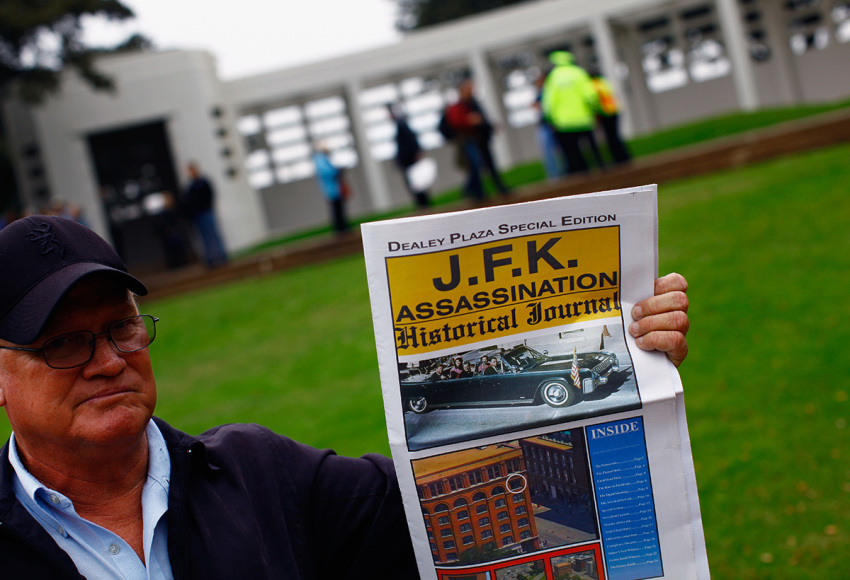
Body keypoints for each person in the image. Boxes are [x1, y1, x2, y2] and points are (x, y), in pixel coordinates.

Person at [0, 215, 690, 577]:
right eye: (63, 343)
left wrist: (626, 359)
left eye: (120, 327)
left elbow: (477, 493)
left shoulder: (260, 475)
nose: (108, 361)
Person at [442, 79, 510, 200]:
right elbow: (457, 122)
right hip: (470, 140)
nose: (472, 89)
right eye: (469, 87)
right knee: (475, 167)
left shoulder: (473, 102)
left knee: (488, 165)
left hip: (481, 139)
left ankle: (497, 189)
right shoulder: (458, 106)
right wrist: (470, 120)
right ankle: (477, 192)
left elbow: (482, 118)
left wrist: (490, 127)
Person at [541, 51, 606, 175]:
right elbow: (590, 94)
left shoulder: (553, 77)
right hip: (584, 118)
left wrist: (548, 118)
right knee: (592, 146)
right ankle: (601, 167)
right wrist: (596, 109)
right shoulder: (579, 73)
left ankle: (580, 173)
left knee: (571, 150)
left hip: (563, 122)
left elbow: (548, 101)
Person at [181, 162, 227, 268]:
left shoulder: (204, 182)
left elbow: (210, 196)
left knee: (214, 234)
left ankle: (221, 257)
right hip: (198, 216)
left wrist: (206, 207)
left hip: (207, 213)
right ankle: (210, 260)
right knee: (204, 238)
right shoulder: (190, 187)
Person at [389, 105, 431, 209]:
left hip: (410, 162)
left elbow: (410, 141)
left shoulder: (401, 125)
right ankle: (423, 206)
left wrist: (416, 153)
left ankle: (424, 207)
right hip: (409, 161)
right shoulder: (400, 125)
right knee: (416, 185)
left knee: (417, 185)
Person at [589, 69, 632, 165]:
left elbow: (595, 101)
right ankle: (623, 158)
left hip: (605, 112)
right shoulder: (603, 82)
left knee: (611, 138)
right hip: (614, 110)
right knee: (615, 137)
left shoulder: (593, 85)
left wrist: (596, 114)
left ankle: (619, 160)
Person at [313, 146, 349, 234]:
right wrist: (336, 171)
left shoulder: (322, 159)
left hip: (334, 189)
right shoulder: (320, 159)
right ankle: (340, 229)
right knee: (337, 209)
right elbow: (327, 172)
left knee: (339, 209)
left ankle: (342, 227)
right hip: (332, 189)